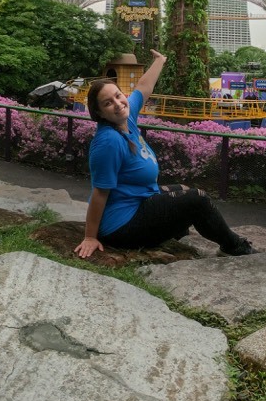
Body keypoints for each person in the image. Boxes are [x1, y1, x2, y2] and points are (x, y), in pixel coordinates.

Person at [75, 49, 255, 259]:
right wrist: (90, 236)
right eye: (108, 103)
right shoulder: (108, 141)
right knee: (197, 199)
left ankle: (179, 233)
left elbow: (144, 87)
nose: (117, 103)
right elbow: (99, 193)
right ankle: (234, 247)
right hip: (121, 227)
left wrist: (160, 60)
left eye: (118, 95)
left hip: (138, 203)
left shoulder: (126, 119)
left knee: (183, 190)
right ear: (99, 113)